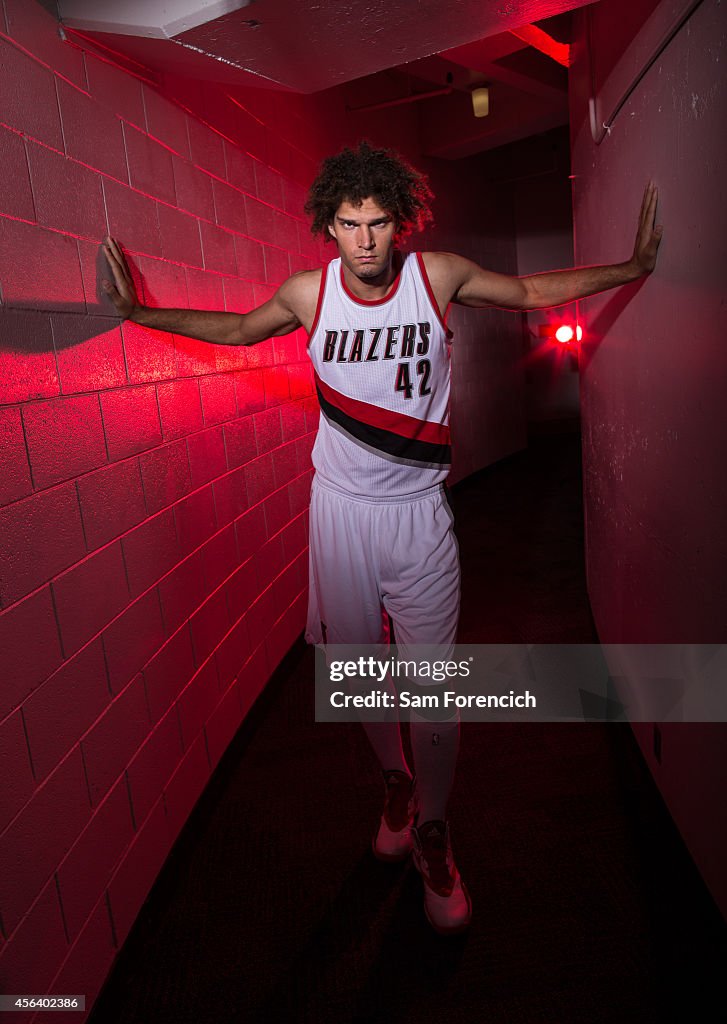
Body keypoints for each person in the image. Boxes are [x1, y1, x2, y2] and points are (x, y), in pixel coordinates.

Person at [102, 141, 662, 936]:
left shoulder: (437, 278)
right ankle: (395, 785)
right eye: (347, 224)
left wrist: (630, 266)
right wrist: (137, 312)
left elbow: (533, 288)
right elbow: (233, 330)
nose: (364, 240)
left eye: (378, 223)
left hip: (417, 513)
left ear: (402, 222)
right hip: (338, 511)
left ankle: (433, 829)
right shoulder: (308, 293)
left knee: (432, 683)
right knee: (357, 671)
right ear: (326, 225)